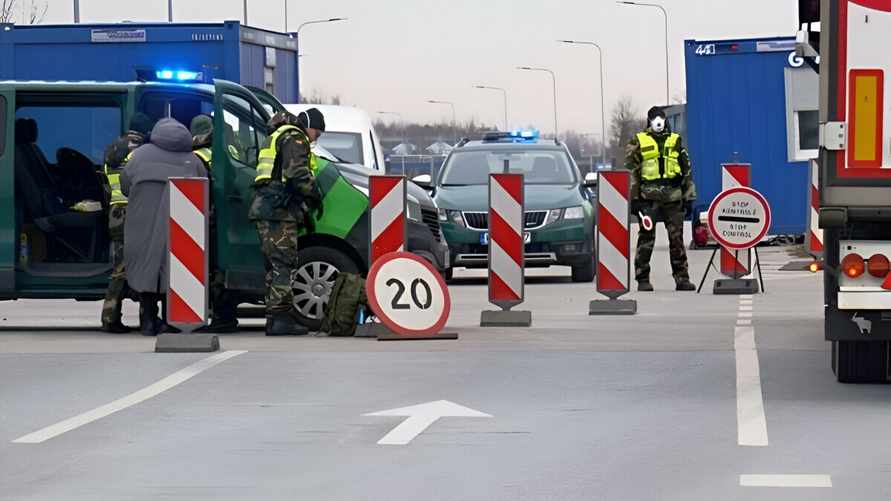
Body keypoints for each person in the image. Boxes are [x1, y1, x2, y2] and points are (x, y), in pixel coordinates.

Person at [121, 118, 208, 336]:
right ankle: (173, 320)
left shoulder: (139, 156)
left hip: (141, 223)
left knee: (145, 268)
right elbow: (204, 190)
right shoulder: (193, 160)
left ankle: (148, 320)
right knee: (177, 271)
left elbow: (124, 185)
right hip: (181, 226)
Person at [249, 109, 325, 336]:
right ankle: (280, 318)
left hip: (267, 208)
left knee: (274, 266)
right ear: (309, 126)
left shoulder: (278, 134)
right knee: (284, 264)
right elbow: (297, 174)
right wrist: (315, 194)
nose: (315, 138)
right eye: (317, 133)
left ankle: (275, 318)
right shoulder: (295, 137)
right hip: (278, 212)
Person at [626, 106, 697, 292]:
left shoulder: (675, 141)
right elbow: (631, 172)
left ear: (665, 120)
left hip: (673, 198)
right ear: (649, 121)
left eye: (661, 118)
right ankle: (642, 279)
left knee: (677, 240)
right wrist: (635, 200)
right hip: (648, 199)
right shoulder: (638, 141)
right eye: (654, 118)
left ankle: (682, 278)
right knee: (646, 239)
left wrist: (689, 196)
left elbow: (686, 170)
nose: (658, 121)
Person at [100, 113, 154, 333]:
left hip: (115, 211)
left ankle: (110, 316)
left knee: (119, 266)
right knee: (144, 265)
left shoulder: (111, 149)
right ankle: (146, 318)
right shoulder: (142, 152)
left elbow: (104, 183)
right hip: (136, 211)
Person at [190, 114, 239, 333]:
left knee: (210, 271)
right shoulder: (228, 151)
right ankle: (227, 314)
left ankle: (220, 317)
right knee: (224, 268)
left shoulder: (196, 157)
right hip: (231, 216)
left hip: (210, 220)